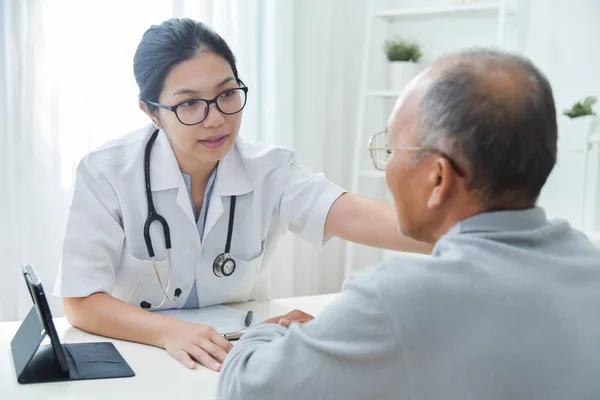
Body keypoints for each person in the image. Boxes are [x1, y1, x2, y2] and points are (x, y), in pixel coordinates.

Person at [217, 49, 600, 400]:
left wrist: (272, 331)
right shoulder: (587, 261)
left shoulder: (397, 300)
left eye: (391, 150)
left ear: (437, 179)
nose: (388, 167)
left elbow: (245, 387)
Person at [53, 18, 430, 372]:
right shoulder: (107, 172)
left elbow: (354, 215)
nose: (216, 118)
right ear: (152, 112)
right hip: (140, 355)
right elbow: (81, 302)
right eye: (189, 103)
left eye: (227, 94)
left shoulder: (270, 169)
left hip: (235, 355)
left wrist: (469, 231)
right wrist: (167, 331)